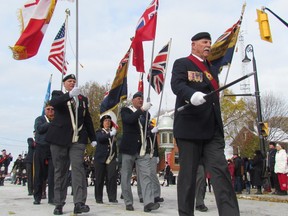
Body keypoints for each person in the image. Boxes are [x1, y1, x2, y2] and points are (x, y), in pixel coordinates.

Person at [170, 32, 240, 216]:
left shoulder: (212, 69)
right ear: (193, 45)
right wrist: (191, 95)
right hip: (190, 128)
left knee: (221, 173)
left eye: (210, 42)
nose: (208, 45)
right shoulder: (182, 63)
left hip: (212, 129)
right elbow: (177, 85)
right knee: (188, 176)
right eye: (204, 42)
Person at [45, 74, 97, 215]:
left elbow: (87, 119)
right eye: (69, 81)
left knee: (78, 170)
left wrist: (93, 137)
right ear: (64, 83)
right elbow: (53, 103)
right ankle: (59, 203)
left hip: (78, 139)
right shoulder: (59, 96)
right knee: (60, 172)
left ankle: (79, 203)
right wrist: (68, 95)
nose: (72, 83)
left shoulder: (82, 99)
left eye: (74, 81)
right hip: (60, 140)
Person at [119, 91, 160, 212]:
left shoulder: (145, 114)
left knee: (146, 175)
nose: (140, 100)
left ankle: (148, 202)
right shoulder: (125, 110)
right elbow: (129, 120)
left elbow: (144, 130)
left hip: (142, 149)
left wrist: (151, 131)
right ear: (133, 100)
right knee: (126, 176)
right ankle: (128, 201)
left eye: (141, 99)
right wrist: (141, 110)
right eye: (138, 98)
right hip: (128, 148)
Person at [33, 103, 55, 205]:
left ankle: (52, 198)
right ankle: (37, 197)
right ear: (45, 110)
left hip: (52, 149)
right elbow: (39, 129)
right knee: (39, 174)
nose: (50, 111)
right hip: (40, 148)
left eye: (52, 109)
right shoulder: (40, 119)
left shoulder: (57, 120)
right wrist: (50, 123)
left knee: (52, 175)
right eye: (48, 109)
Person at [94, 114, 118, 204]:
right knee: (99, 178)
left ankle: (112, 197)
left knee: (112, 177)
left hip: (111, 157)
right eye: (105, 121)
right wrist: (110, 134)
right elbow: (100, 139)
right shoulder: (99, 132)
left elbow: (115, 145)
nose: (107, 122)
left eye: (109, 121)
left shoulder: (113, 132)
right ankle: (99, 197)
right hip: (100, 158)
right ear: (102, 123)